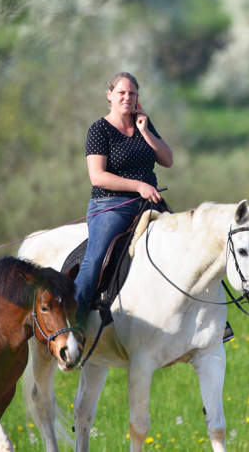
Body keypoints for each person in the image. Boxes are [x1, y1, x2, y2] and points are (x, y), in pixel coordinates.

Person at [75, 72, 173, 331]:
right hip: (111, 205)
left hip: (148, 204)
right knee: (95, 259)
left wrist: (144, 130)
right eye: (121, 92)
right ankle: (73, 322)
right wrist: (139, 185)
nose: (127, 97)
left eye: (132, 93)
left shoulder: (144, 124)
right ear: (109, 96)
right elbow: (98, 177)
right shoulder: (99, 130)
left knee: (184, 242)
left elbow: (168, 160)